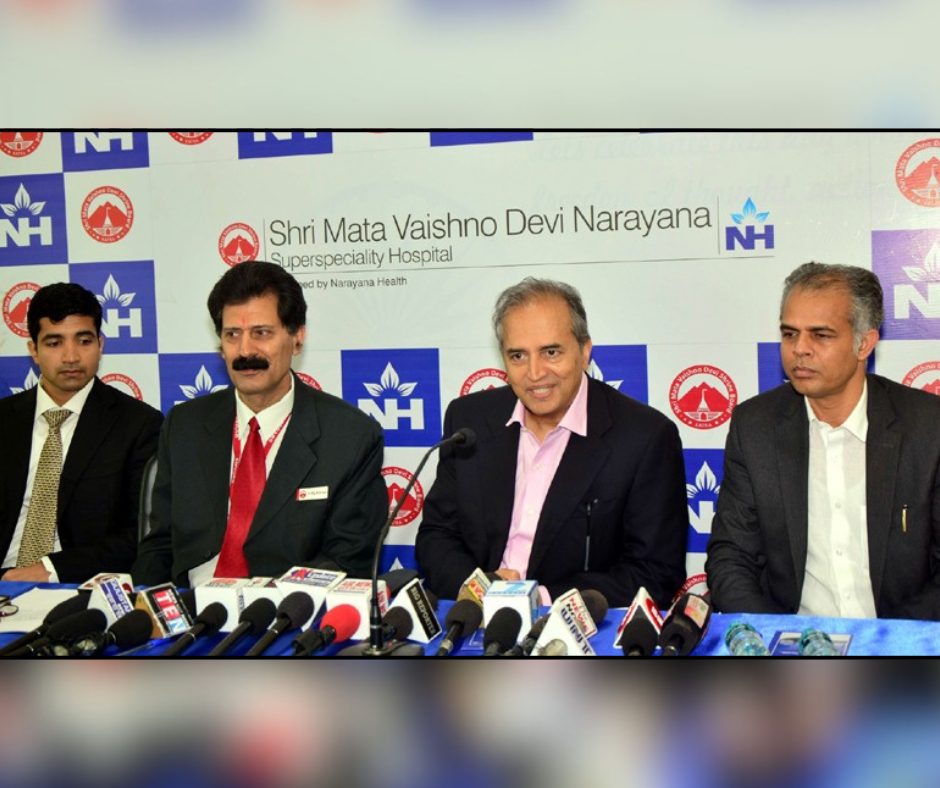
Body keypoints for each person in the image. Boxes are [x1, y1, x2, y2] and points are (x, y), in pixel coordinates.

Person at [415, 277, 688, 608]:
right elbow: (437, 536)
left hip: (575, 629)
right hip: (473, 618)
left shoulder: (643, 437)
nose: (534, 372)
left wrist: (534, 599)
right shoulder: (469, 419)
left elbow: (654, 572)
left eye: (551, 352)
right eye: (517, 356)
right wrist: (480, 592)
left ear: (584, 351)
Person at [706, 262, 940, 620]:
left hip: (901, 640)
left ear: (864, 343)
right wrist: (777, 644)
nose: (800, 349)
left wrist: (887, 647)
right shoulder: (755, 426)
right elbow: (731, 558)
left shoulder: (927, 426)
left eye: (821, 335)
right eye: (789, 333)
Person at [133, 261, 387, 587]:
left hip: (286, 617)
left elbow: (348, 558)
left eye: (262, 333)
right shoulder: (185, 426)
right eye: (232, 335)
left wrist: (268, 602)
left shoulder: (349, 436)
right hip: (190, 612)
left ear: (297, 339)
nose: (245, 351)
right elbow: (160, 544)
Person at [0, 283, 163, 583]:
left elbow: (141, 534)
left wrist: (49, 570)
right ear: (33, 350)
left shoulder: (138, 425)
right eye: (54, 343)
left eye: (83, 340)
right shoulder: (4, 420)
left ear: (100, 344)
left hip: (75, 584)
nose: (71, 356)